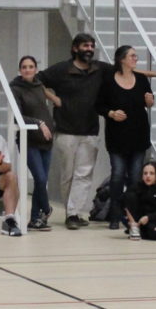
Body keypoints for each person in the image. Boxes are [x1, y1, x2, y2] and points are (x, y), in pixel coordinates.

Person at [40, 31, 106, 228]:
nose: (89, 49)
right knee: (68, 174)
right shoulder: (61, 69)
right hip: (66, 130)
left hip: (90, 130)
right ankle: (71, 212)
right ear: (75, 48)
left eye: (91, 46)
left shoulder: (99, 69)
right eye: (85, 46)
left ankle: (73, 213)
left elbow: (126, 70)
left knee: (84, 174)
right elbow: (36, 80)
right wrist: (54, 98)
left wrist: (155, 74)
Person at [99, 44, 155, 230]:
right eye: (132, 56)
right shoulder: (109, 80)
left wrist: (150, 101)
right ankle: (115, 214)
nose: (135, 59)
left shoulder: (141, 79)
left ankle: (132, 215)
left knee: (135, 178)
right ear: (122, 59)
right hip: (117, 136)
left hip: (138, 135)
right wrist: (112, 113)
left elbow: (149, 101)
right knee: (117, 175)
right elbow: (99, 105)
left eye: (136, 56)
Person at [10, 53, 56, 231]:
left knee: (41, 182)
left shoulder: (39, 86)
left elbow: (43, 109)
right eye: (24, 67)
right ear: (20, 70)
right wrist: (39, 123)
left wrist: (50, 125)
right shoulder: (15, 88)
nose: (27, 70)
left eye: (31, 67)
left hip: (46, 141)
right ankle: (47, 208)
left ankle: (36, 219)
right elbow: (18, 116)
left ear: (36, 69)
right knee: (40, 177)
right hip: (28, 140)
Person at [125, 156, 156, 240]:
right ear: (142, 175)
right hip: (138, 219)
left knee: (155, 235)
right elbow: (123, 202)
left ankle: (141, 231)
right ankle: (135, 228)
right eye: (145, 173)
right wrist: (132, 221)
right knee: (128, 197)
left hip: (154, 219)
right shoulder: (137, 186)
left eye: (151, 173)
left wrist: (148, 217)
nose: (148, 176)